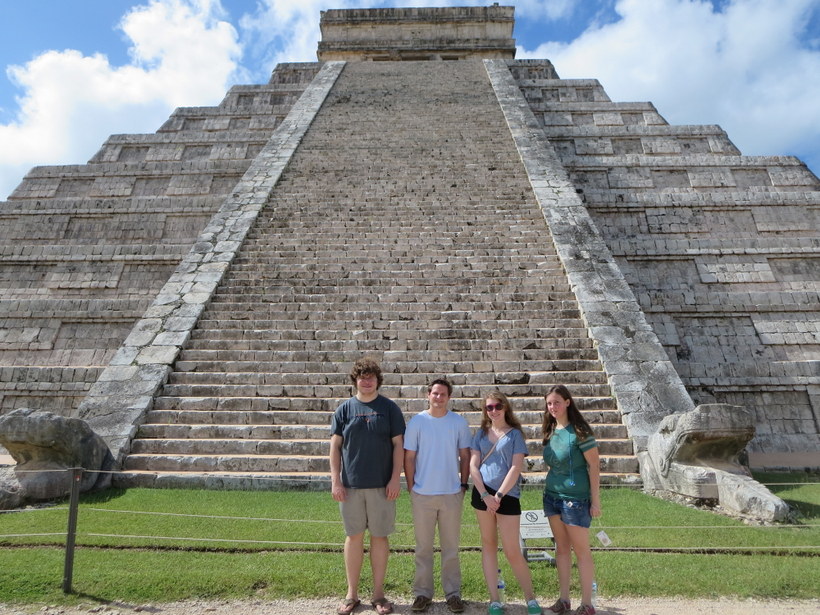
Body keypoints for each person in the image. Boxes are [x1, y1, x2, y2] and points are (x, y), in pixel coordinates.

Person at [330, 358, 406, 615]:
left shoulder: (389, 408)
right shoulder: (344, 410)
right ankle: (352, 594)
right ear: (356, 380)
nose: (367, 380)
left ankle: (378, 594)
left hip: (382, 485)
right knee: (353, 536)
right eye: (362, 376)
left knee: (380, 536)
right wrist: (336, 480)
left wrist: (396, 477)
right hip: (351, 484)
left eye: (371, 376)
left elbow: (399, 446)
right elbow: (335, 448)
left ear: (377, 380)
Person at [469, 391, 542, 615]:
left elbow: (516, 467)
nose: (493, 411)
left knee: (512, 550)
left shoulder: (515, 435)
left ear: (505, 407)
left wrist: (498, 496)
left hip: (506, 495)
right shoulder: (480, 434)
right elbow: (473, 465)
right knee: (488, 545)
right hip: (482, 494)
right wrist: (484, 495)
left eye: (497, 406)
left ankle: (530, 598)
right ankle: (494, 600)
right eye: (489, 407)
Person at [404, 378, 472, 614]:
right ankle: (422, 593)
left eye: (443, 394)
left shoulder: (458, 422)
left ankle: (453, 594)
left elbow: (465, 455)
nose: (438, 398)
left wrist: (463, 484)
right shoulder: (417, 422)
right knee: (423, 547)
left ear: (449, 397)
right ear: (428, 395)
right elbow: (409, 457)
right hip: (423, 493)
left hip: (451, 492)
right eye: (435, 393)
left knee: (451, 547)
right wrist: (412, 486)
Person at [541, 385, 601, 615]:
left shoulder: (580, 431)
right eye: (549, 403)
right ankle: (564, 599)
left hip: (575, 500)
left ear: (567, 402)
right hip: (552, 497)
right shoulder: (551, 429)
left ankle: (587, 604)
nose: (552, 407)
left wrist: (595, 502)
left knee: (581, 551)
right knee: (562, 549)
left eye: (556, 402)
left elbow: (594, 465)